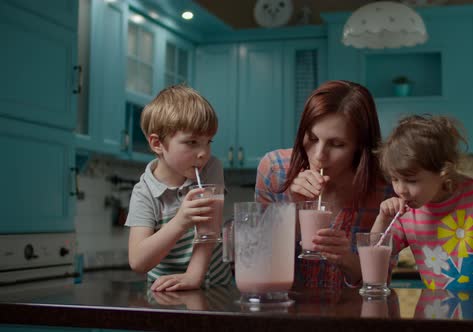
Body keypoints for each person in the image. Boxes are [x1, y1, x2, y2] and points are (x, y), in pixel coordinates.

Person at [373, 114, 473, 296]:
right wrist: (382, 220)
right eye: (395, 179)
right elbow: (376, 252)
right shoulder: (406, 211)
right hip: (442, 309)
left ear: (443, 171)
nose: (400, 190)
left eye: (411, 180)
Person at [255, 80, 393, 289]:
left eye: (337, 144)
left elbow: (380, 282)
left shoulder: (385, 189)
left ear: (360, 147)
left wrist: (346, 259)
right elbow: (258, 265)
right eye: (312, 137)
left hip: (354, 317)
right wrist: (292, 211)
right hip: (283, 314)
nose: (319, 155)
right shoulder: (275, 170)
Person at [125, 84, 232, 291]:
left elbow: (209, 231)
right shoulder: (144, 192)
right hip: (167, 292)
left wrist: (193, 276)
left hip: (216, 287)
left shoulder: (210, 168)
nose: (203, 153)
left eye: (208, 142)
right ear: (157, 144)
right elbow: (138, 262)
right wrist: (181, 221)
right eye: (192, 142)